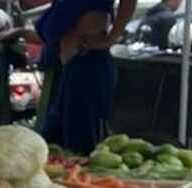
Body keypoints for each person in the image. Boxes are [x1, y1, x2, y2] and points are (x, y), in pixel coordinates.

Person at [26, 0, 135, 154]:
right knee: (52, 143)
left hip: (90, 64)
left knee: (81, 146)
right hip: (72, 66)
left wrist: (111, 38)